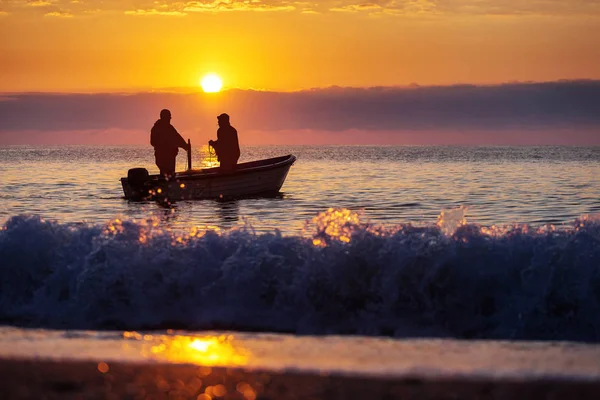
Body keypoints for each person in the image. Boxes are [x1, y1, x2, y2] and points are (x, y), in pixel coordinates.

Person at [150, 109, 188, 178]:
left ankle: (164, 186)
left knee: (166, 175)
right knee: (168, 175)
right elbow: (152, 142)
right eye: (169, 117)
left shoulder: (168, 128)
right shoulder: (159, 128)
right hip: (165, 158)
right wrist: (185, 146)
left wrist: (185, 146)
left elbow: (177, 138)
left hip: (167, 157)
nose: (170, 118)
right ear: (164, 117)